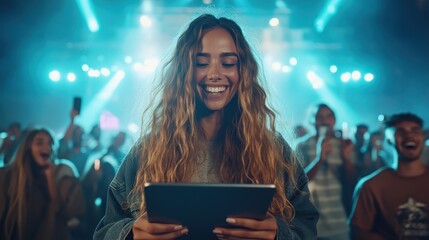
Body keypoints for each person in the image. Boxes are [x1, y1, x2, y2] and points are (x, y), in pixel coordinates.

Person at [94, 14, 318, 240]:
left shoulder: (272, 149)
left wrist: (279, 233)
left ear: (243, 72)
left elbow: (306, 227)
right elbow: (104, 231)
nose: (214, 74)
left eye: (228, 63)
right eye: (201, 63)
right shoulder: (149, 150)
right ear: (184, 72)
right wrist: (131, 233)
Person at [349, 113, 429, 239]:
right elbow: (359, 233)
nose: (409, 135)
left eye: (415, 130)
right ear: (389, 140)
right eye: (400, 131)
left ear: (423, 137)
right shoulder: (371, 186)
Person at [0, 128, 86, 240]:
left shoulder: (62, 172)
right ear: (27, 147)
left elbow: (59, 214)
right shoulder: (8, 175)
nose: (46, 147)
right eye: (39, 143)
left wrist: (50, 178)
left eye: (50, 143)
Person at [296, 103, 356, 240]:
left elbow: (351, 181)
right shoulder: (301, 145)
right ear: (312, 120)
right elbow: (298, 182)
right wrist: (319, 159)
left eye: (329, 116)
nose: (324, 121)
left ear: (334, 120)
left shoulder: (344, 145)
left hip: (339, 221)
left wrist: (346, 158)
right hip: (311, 222)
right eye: (319, 117)